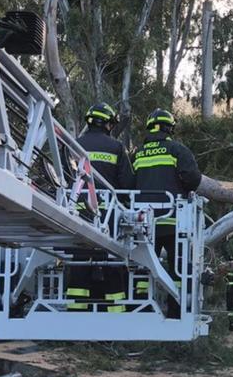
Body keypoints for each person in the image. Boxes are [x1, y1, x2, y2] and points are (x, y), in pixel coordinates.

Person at [132, 108, 201, 318]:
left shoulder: (136, 153)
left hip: (144, 224)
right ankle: (176, 311)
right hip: (173, 222)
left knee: (143, 266)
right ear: (169, 128)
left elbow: (127, 183)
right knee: (178, 269)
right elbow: (192, 179)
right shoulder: (177, 150)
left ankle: (139, 308)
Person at [67, 102, 134, 313]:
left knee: (78, 260)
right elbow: (127, 184)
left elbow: (65, 178)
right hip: (108, 214)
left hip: (77, 211)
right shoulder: (116, 148)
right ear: (108, 124)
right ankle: (115, 315)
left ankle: (77, 314)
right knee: (112, 259)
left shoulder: (73, 145)